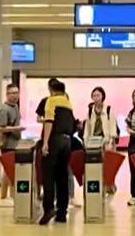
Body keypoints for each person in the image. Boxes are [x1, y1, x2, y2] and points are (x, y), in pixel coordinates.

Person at [39, 78, 76, 225]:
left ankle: (48, 208)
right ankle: (62, 212)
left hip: (54, 140)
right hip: (67, 142)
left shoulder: (51, 100)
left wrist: (45, 143)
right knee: (62, 176)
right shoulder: (68, 103)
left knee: (48, 175)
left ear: (51, 90)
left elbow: (49, 121)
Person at [82, 87, 116, 198]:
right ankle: (99, 188)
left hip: (106, 141)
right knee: (95, 166)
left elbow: (112, 125)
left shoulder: (109, 109)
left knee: (108, 167)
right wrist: (85, 139)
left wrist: (111, 140)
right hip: (93, 142)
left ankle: (109, 187)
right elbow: (87, 126)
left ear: (103, 96)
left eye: (98, 95)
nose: (96, 98)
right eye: (94, 95)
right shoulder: (90, 110)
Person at [0, 83, 23, 208]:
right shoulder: (4, 110)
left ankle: (7, 196)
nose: (15, 96)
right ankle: (7, 196)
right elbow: (1, 128)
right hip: (7, 144)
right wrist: (17, 128)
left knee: (9, 170)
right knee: (9, 170)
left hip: (15, 143)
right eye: (13, 93)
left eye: (17, 93)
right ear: (7, 94)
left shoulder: (15, 107)